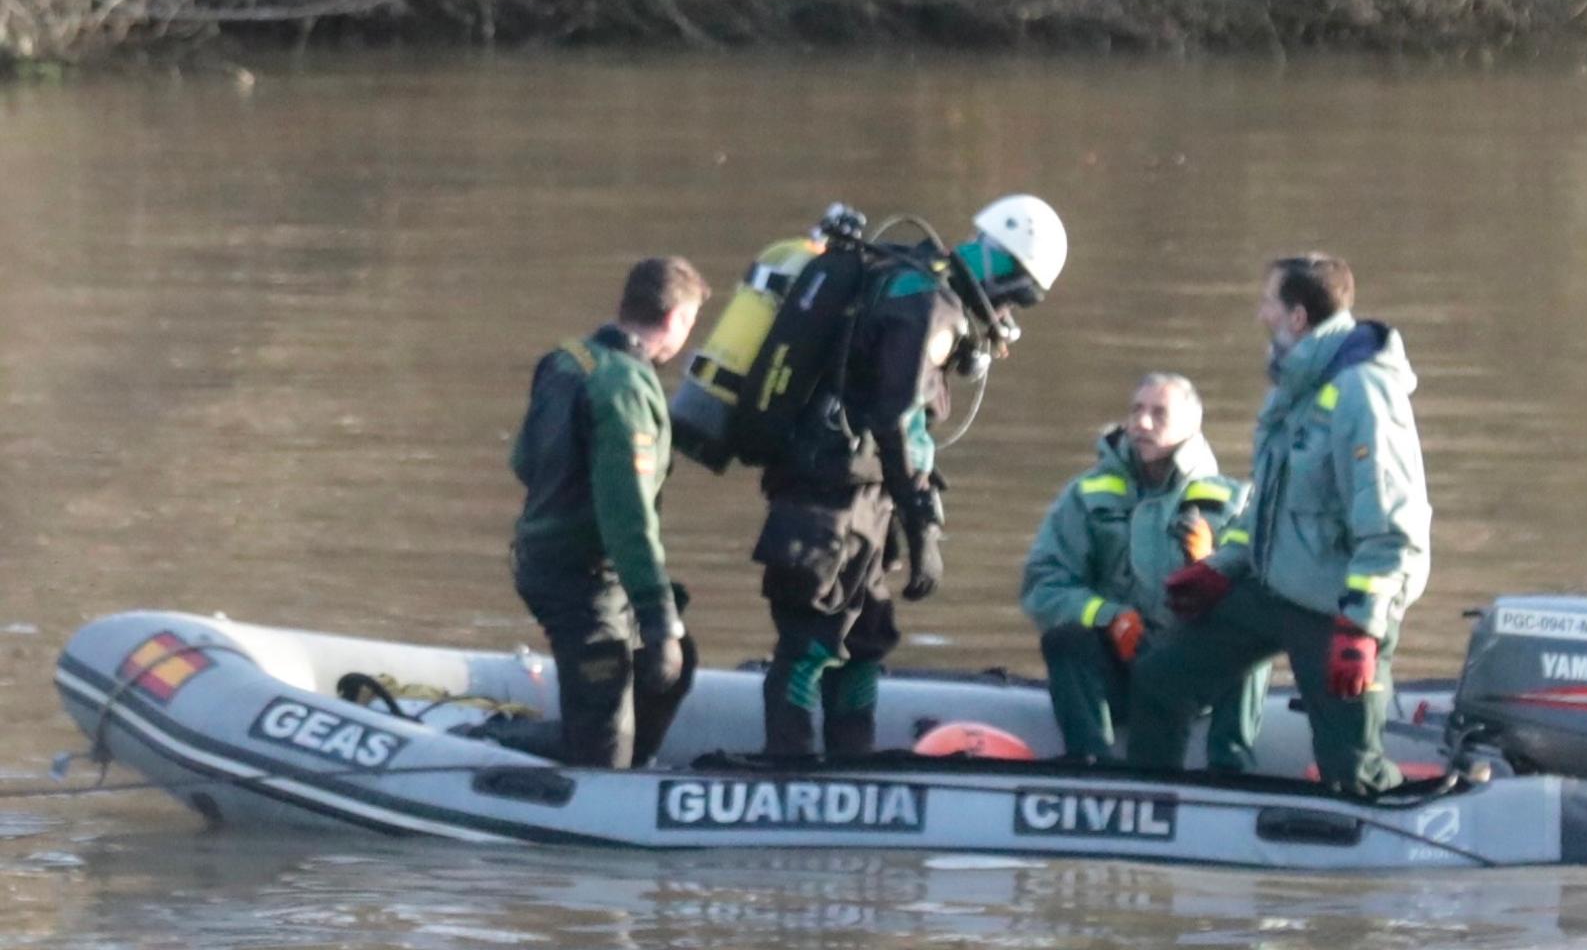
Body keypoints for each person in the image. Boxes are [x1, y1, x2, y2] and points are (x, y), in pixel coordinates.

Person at [752, 195, 1068, 758]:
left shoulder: (907, 278)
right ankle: (791, 779)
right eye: (1015, 297)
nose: (1009, 315)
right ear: (1003, 266)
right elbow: (897, 418)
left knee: (866, 639)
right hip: (827, 495)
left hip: (860, 498)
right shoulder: (932, 306)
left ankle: (853, 770)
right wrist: (922, 523)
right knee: (811, 640)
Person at [1126, 253, 1431, 794]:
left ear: (1296, 317)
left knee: (1351, 772)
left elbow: (1392, 527)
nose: (1260, 314)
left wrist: (1361, 627)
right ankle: (1154, 808)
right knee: (1159, 681)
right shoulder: (1296, 387)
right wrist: (1222, 567)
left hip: (1338, 611)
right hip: (1270, 589)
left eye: (1269, 302)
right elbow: (1268, 505)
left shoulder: (1363, 393)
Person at [508, 256, 711, 768]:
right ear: (674, 321)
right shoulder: (624, 390)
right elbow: (629, 517)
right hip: (582, 580)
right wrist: (658, 617)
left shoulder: (567, 360)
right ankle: (502, 744)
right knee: (600, 751)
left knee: (672, 667)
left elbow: (524, 461)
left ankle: (630, 769)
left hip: (552, 560)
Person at [1020, 373, 1267, 770]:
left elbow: (1262, 591)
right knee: (1065, 641)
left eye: (1159, 413)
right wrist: (1107, 615)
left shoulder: (1235, 502)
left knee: (1254, 638)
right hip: (1118, 671)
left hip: (1197, 675)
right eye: (1136, 411)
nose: (1142, 423)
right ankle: (1090, 763)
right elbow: (1043, 584)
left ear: (1192, 425)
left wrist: (1210, 567)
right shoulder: (1085, 495)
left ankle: (1231, 766)